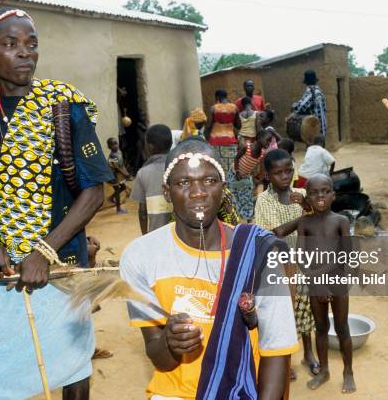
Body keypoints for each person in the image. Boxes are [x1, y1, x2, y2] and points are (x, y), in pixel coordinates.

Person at [0, 7, 113, 400]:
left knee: (72, 365)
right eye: (10, 44)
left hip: (63, 264)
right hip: (2, 270)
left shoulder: (64, 106)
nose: (25, 53)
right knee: (0, 370)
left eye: (31, 44)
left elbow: (94, 192)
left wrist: (44, 250)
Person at [120, 139, 298, 399]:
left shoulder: (258, 252)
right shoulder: (139, 256)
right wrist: (169, 343)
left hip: (243, 390)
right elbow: (161, 361)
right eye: (183, 183)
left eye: (209, 181)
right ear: (167, 192)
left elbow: (277, 348)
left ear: (223, 188)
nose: (198, 192)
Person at [254, 149, 319, 381]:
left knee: (305, 311)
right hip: (279, 269)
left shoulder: (302, 195)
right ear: (267, 175)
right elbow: (270, 235)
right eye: (278, 172)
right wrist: (302, 218)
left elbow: (318, 222)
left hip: (303, 265)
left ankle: (308, 354)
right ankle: (284, 359)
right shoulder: (263, 201)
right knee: (282, 315)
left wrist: (307, 206)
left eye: (288, 170)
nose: (284, 176)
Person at [295, 174, 355, 393]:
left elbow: (346, 255)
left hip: (337, 282)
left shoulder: (341, 221)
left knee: (342, 328)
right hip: (315, 284)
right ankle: (324, 370)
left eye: (325, 191)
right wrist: (317, 282)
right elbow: (300, 257)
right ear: (307, 196)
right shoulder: (304, 222)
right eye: (313, 192)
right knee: (320, 328)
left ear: (333, 195)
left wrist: (322, 277)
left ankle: (348, 371)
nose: (319, 196)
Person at [131, 124, 173, 234]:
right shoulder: (179, 167)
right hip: (181, 234)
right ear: (171, 144)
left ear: (150, 146)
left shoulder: (143, 173)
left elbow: (142, 212)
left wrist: (145, 236)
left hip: (156, 234)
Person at [227, 129, 272, 222]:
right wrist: (237, 171)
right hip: (234, 173)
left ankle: (249, 219)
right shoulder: (246, 147)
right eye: (267, 140)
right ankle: (234, 217)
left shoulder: (262, 154)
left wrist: (259, 180)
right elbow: (236, 158)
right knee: (233, 195)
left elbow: (263, 169)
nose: (269, 143)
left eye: (270, 142)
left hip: (246, 176)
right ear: (259, 138)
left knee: (247, 197)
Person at [205, 89, 240, 172]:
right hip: (230, 141)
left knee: (216, 166)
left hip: (215, 141)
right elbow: (238, 125)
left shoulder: (213, 108)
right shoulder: (234, 108)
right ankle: (228, 183)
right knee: (230, 166)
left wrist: (205, 136)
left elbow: (209, 125)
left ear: (217, 97)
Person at [292, 70, 327, 137]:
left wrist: (294, 106)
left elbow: (301, 108)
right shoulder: (320, 92)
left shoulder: (310, 92)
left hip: (314, 128)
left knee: (312, 146)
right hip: (322, 127)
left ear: (306, 82)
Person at [107, 137, 132, 214]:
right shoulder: (112, 156)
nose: (115, 146)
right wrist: (127, 175)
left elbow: (122, 165)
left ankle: (111, 197)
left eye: (116, 143)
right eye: (113, 144)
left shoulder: (119, 152)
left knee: (123, 187)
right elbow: (118, 168)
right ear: (109, 147)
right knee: (117, 190)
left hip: (117, 175)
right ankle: (119, 210)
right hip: (112, 175)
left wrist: (126, 173)